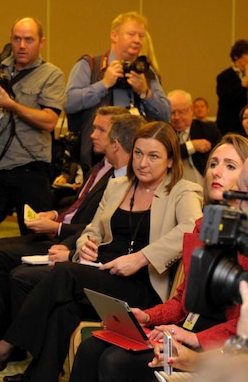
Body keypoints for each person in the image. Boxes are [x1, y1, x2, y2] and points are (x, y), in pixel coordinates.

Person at [0, 121, 202, 382]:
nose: (143, 163)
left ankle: (2, 349)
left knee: (64, 273)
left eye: (154, 156)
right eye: (139, 154)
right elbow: (92, 229)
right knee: (64, 308)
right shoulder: (118, 186)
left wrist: (141, 258)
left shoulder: (183, 191)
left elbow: (192, 228)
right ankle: (40, 377)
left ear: (169, 161)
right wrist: (85, 246)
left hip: (141, 284)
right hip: (102, 271)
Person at [0, 108, 138, 361]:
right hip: (66, 237)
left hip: (73, 245)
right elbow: (78, 210)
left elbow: (97, 229)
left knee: (10, 268)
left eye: (101, 129)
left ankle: (2, 339)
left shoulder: (121, 180)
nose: (92, 135)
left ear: (117, 140)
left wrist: (60, 233)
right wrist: (55, 216)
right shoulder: (100, 167)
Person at [69, 133, 248, 382]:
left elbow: (243, 324)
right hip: (188, 329)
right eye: (213, 164)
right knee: (91, 349)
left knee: (116, 361)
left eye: (230, 166)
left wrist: (195, 339)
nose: (216, 172)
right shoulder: (203, 225)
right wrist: (147, 316)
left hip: (221, 345)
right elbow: (182, 300)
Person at [0, 17, 66, 234]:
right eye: (17, 39)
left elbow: (49, 121)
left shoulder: (51, 74)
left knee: (34, 234)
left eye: (29, 40)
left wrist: (11, 105)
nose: (21, 45)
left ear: (41, 42)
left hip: (30, 167)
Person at [65, 12, 170, 171]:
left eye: (141, 36)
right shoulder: (91, 65)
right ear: (114, 35)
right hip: (95, 156)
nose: (137, 40)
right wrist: (104, 84)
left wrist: (144, 92)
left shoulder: (146, 73)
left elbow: (166, 114)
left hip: (135, 159)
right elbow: (69, 103)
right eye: (131, 34)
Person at [168, 89, 222, 184]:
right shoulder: (165, 132)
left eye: (181, 111)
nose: (176, 117)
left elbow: (221, 155)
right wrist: (192, 146)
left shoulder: (208, 130)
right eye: (172, 112)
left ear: (191, 110)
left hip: (203, 185)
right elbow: (166, 153)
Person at [216, 39, 248, 135]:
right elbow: (225, 98)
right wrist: (243, 84)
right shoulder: (224, 76)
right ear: (236, 57)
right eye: (246, 55)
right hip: (230, 125)